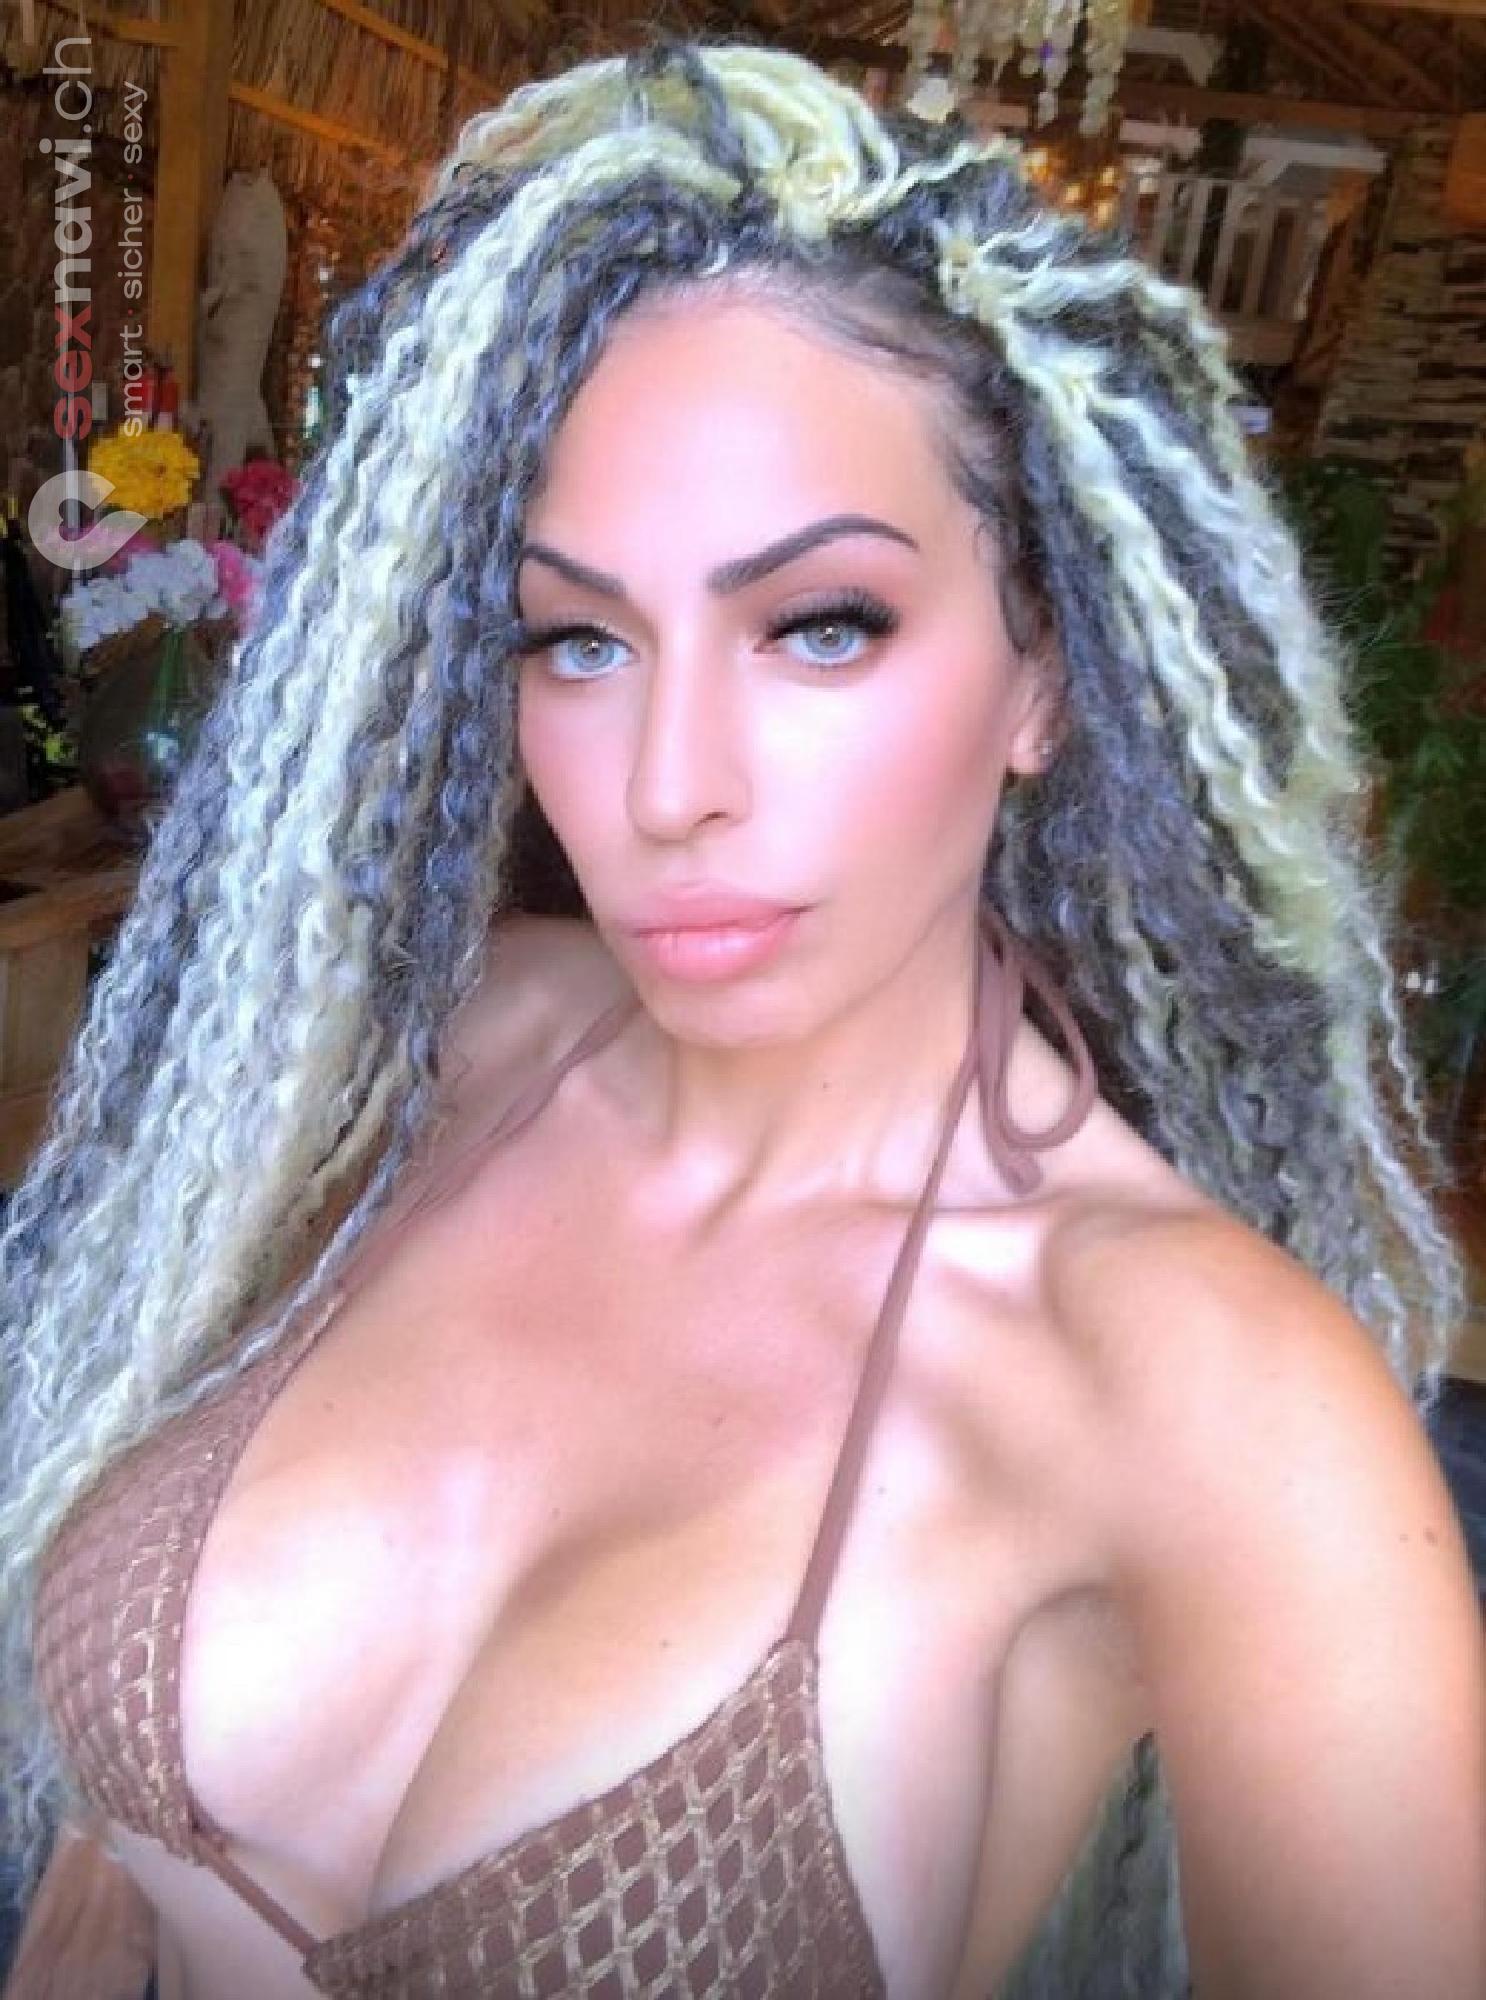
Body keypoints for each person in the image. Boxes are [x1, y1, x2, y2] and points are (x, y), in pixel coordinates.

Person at [3, 35, 1483, 2000]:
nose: (666, 784)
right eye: (577, 640)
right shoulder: (424, 1064)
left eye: (820, 625)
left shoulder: (1206, 1393)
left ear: (1045, 671)